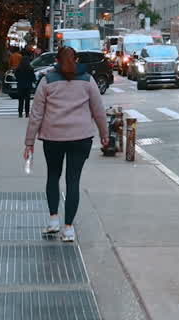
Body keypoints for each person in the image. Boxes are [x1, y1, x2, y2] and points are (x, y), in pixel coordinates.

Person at [24, 45, 108, 242]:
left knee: (53, 177)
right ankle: (68, 229)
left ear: (57, 61)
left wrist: (29, 142)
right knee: (73, 181)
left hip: (53, 137)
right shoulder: (88, 80)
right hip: (81, 138)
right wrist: (105, 134)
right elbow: (98, 110)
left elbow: (36, 114)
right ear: (76, 60)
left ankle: (53, 219)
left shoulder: (47, 80)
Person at [14, 46, 36, 118]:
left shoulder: (18, 68)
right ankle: (27, 113)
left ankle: (20, 113)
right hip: (28, 86)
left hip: (20, 85)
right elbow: (33, 77)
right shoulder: (30, 68)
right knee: (27, 100)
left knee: (20, 100)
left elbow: (16, 76)